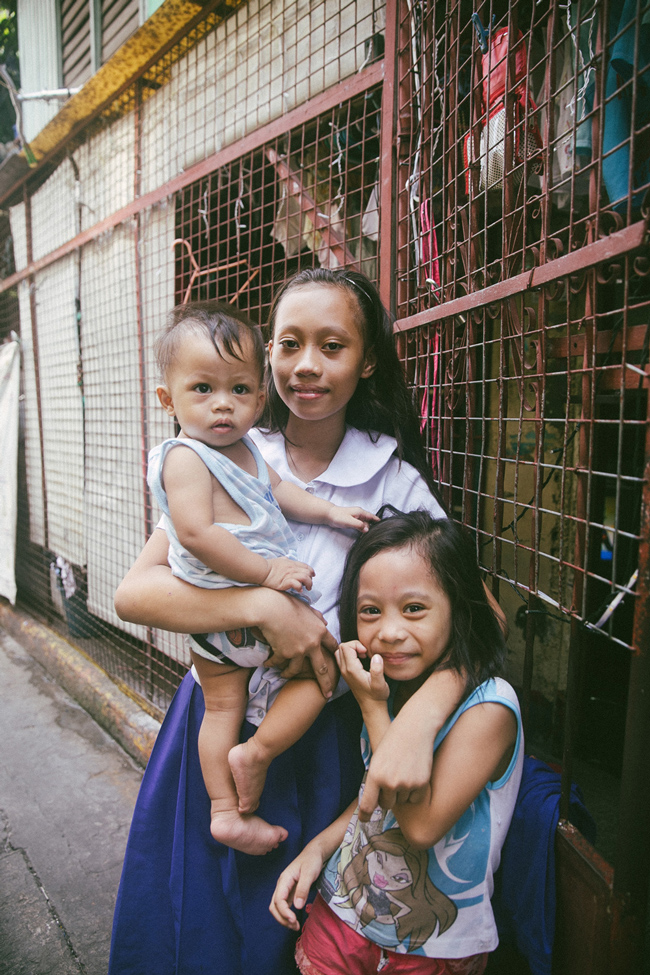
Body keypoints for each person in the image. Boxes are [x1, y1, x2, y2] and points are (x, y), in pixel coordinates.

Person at [109, 268, 503, 975]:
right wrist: (264, 606)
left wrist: (419, 720)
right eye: (289, 344)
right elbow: (136, 593)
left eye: (333, 345)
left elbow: (481, 617)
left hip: (322, 741)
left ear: (368, 360)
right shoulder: (220, 451)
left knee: (280, 935)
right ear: (268, 358)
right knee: (192, 925)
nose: (307, 365)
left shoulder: (392, 483)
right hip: (215, 724)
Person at [148, 303, 377, 855]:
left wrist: (330, 513)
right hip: (221, 613)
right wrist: (267, 578)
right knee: (222, 708)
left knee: (318, 682)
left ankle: (253, 762)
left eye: (241, 390)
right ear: (168, 400)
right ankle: (224, 810)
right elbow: (199, 536)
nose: (223, 405)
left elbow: (283, 494)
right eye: (202, 389)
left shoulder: (249, 449)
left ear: (258, 394)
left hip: (271, 632)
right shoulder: (184, 458)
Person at [270, 511, 523, 974]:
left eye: (414, 609)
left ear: (458, 608)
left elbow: (420, 824)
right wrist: (317, 850)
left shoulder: (490, 707)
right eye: (370, 611)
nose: (388, 631)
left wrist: (372, 709)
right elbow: (375, 797)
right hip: (342, 919)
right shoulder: (392, 685)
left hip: (432, 947)